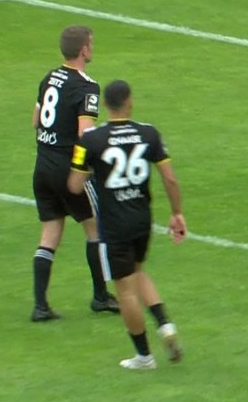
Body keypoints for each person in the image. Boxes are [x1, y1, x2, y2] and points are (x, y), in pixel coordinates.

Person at [67, 80, 187, 370]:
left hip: (114, 223)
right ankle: (164, 324)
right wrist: (177, 213)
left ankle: (144, 356)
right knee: (138, 270)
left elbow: (74, 184)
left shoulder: (91, 140)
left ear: (106, 105)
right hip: (141, 218)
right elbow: (169, 178)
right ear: (129, 102)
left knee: (125, 290)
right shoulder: (148, 133)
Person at [30, 24, 119, 321]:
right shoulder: (86, 86)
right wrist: (88, 164)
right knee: (96, 228)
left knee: (50, 233)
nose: (92, 48)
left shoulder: (49, 78)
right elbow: (85, 134)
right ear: (83, 49)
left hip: (42, 166)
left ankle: (40, 306)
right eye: (91, 44)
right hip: (68, 169)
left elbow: (35, 121)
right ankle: (100, 296)